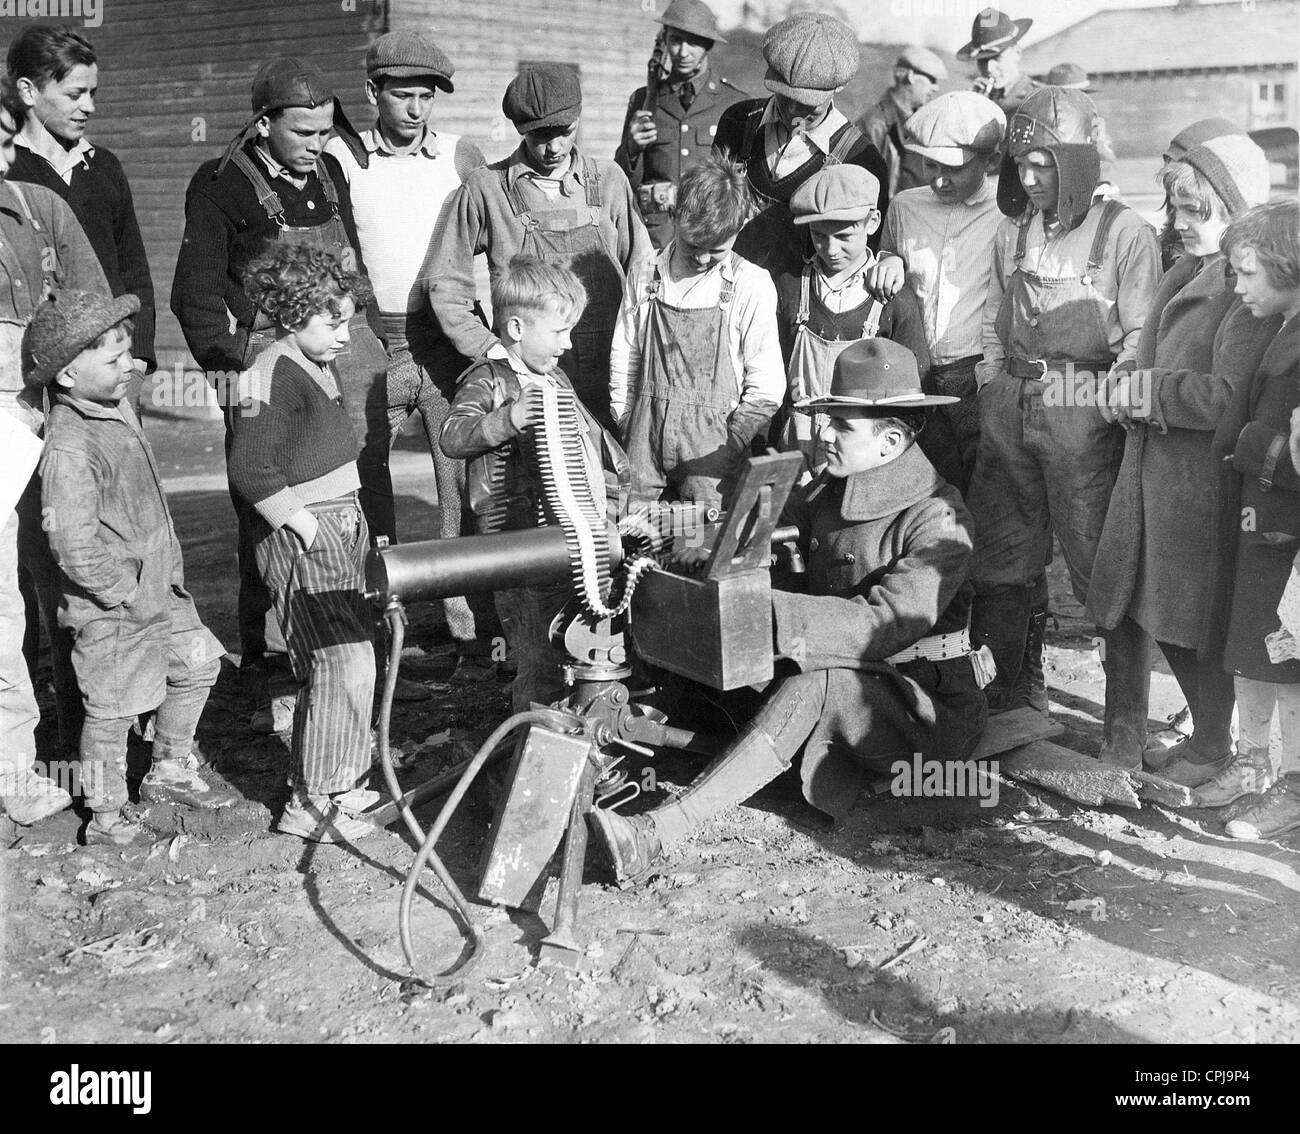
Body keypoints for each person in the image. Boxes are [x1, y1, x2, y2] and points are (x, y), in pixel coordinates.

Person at [588, 339, 985, 886]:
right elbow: (752, 531)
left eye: (841, 425)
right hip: (851, 674)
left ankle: (656, 834)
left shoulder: (939, 519)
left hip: (921, 707)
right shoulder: (829, 487)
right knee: (699, 651)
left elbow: (884, 624)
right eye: (827, 420)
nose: (824, 435)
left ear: (891, 441)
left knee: (814, 684)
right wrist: (678, 537)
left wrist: (769, 613)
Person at [171, 57, 395, 734]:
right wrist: (237, 373)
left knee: (354, 499)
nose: (317, 144)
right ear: (264, 123)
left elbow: (352, 267)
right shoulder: (221, 186)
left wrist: (367, 338)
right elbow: (193, 296)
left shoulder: (328, 173)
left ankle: (361, 651)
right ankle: (270, 669)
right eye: (303, 131)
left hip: (340, 357)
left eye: (326, 131)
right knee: (269, 514)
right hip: (268, 370)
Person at [966, 87, 1160, 763]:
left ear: (1076, 161)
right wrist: (993, 382)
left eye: (1043, 164)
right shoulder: (1013, 230)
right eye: (1020, 164)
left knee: (1101, 570)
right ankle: (1009, 705)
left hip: (1082, 404)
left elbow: (1141, 338)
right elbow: (992, 314)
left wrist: (1100, 408)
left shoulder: (1125, 232)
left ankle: (1125, 728)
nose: (1029, 178)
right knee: (1002, 561)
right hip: (1011, 401)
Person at [1088, 123, 1275, 799]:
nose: (1181, 221)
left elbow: (1229, 396)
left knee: (1197, 625)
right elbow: (1146, 353)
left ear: (1238, 211)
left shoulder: (1244, 290)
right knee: (1152, 611)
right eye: (1175, 208)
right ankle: (1208, 738)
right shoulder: (1184, 269)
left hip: (1201, 484)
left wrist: (1147, 393)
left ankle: (1212, 744)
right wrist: (1123, 382)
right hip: (1155, 476)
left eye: (1197, 210)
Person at [26, 291, 235, 846]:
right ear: (67, 375)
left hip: (159, 589)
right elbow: (72, 543)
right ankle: (107, 815)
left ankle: (168, 767)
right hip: (113, 607)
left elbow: (131, 372)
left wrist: (156, 580)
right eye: (113, 358)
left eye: (128, 354)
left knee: (198, 665)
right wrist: (124, 591)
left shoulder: (112, 403)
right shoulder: (71, 446)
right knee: (113, 711)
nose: (128, 366)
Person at [323, 31, 494, 683]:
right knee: (366, 481)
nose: (417, 110)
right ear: (373, 93)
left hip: (446, 338)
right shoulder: (342, 156)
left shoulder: (459, 155)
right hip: (373, 340)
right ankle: (377, 625)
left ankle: (468, 628)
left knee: (462, 484)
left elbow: (500, 231)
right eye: (403, 97)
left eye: (427, 97)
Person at [228, 244, 381, 844]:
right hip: (304, 535)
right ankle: (310, 801)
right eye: (333, 322)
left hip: (337, 521)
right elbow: (250, 470)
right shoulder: (266, 373)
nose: (345, 336)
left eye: (348, 321)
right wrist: (308, 528)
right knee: (338, 660)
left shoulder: (314, 362)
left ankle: (342, 783)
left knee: (355, 657)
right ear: (293, 315)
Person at [441, 257, 629, 713]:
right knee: (536, 656)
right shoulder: (487, 379)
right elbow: (452, 436)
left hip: (563, 542)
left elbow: (591, 443)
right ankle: (531, 736)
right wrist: (508, 418)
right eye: (559, 332)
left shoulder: (554, 378)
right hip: (516, 548)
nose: (568, 344)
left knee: (567, 645)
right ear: (517, 328)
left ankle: (565, 728)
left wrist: (614, 494)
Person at [427, 64, 651, 433]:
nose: (555, 147)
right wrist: (491, 351)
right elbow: (445, 285)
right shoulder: (488, 189)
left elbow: (643, 273)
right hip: (528, 386)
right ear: (520, 129)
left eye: (565, 132)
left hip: (610, 378)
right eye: (540, 136)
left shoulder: (609, 179)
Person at [0, 87, 109, 826]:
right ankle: (14, 770)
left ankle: (80, 748)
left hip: (39, 419)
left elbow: (92, 315)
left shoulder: (37, 209)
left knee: (63, 577)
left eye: (7, 139)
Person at [1201, 200, 1300, 839]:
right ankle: (1254, 764)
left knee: (1289, 660)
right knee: (1251, 645)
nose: (1238, 288)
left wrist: (1256, 445)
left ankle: (1293, 787)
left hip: (1289, 525)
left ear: (1289, 266)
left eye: (1248, 274)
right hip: (1262, 517)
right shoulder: (1280, 327)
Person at [611, 157, 782, 509]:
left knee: (703, 538)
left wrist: (732, 444)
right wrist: (627, 421)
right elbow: (624, 354)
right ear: (675, 217)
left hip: (711, 455)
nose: (702, 259)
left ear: (738, 229)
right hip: (644, 442)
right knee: (638, 533)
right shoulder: (646, 272)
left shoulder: (749, 284)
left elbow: (767, 387)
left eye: (716, 250)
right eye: (692, 246)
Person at [6, 27, 155, 384]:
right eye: (75, 94)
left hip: (108, 369)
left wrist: (138, 359)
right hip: (25, 373)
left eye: (92, 93)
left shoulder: (104, 167)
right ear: (28, 91)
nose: (89, 106)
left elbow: (133, 270)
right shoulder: (7, 171)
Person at [878, 91, 1006, 496]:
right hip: (919, 377)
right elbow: (887, 253)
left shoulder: (1008, 213)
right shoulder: (904, 207)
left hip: (978, 375)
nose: (939, 180)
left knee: (987, 489)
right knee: (929, 487)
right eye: (930, 165)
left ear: (990, 161)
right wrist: (889, 258)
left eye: (954, 168)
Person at [773, 163, 929, 478]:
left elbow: (915, 399)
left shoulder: (893, 301)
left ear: (873, 222)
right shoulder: (790, 288)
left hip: (861, 454)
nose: (831, 249)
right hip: (795, 449)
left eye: (844, 236)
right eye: (819, 236)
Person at [711, 11, 890, 278]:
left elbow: (864, 258)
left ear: (840, 86)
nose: (794, 111)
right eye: (785, 97)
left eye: (809, 103)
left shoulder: (862, 160)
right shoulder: (738, 122)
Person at [615, 0, 745, 249]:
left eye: (693, 42)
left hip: (709, 236)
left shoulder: (733, 103)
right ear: (665, 40)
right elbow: (623, 182)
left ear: (708, 45)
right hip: (656, 239)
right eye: (675, 40)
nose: (683, 52)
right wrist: (631, 148)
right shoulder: (644, 100)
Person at [855, 45, 949, 199]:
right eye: (932, 80)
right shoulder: (874, 124)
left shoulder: (922, 120)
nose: (936, 87)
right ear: (911, 76)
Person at [957, 8, 1039, 116]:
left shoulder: (1038, 99)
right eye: (982, 61)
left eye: (997, 59)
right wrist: (968, 104)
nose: (989, 68)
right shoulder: (979, 97)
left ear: (1017, 53)